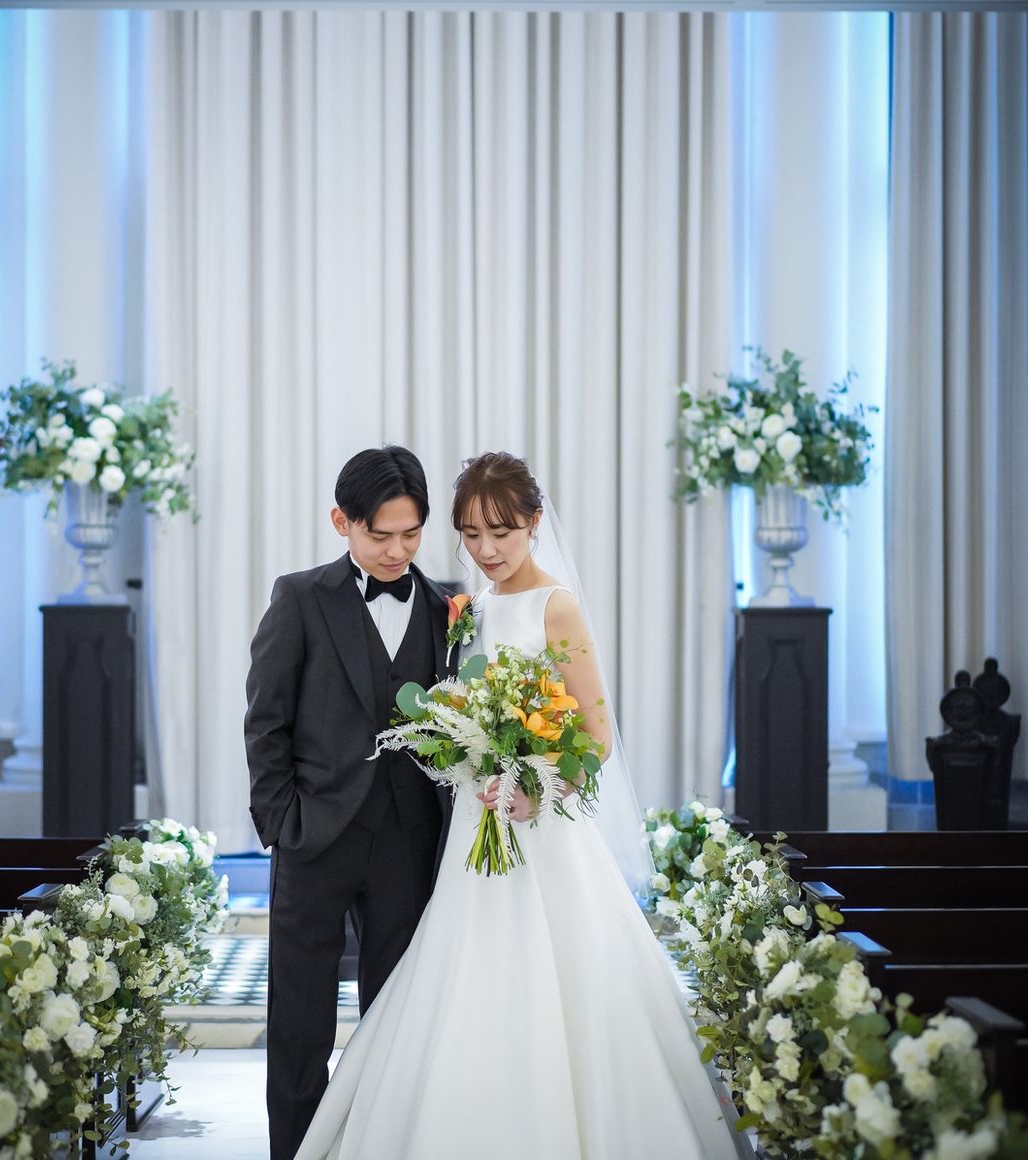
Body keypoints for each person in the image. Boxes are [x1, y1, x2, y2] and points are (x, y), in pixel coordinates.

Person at [294, 451, 742, 1160]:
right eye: (471, 534)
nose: (487, 550)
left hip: (544, 831)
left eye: (501, 532)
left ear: (535, 522)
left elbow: (597, 737)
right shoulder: (466, 610)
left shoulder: (555, 606)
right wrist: (463, 753)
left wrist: (539, 788)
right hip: (476, 822)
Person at [245, 446, 455, 1160]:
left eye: (411, 534)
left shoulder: (447, 610)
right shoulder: (301, 597)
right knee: (300, 1015)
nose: (397, 551)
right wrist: (281, 822)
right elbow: (265, 719)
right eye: (380, 535)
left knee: (395, 1012)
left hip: (409, 838)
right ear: (343, 522)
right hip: (315, 833)